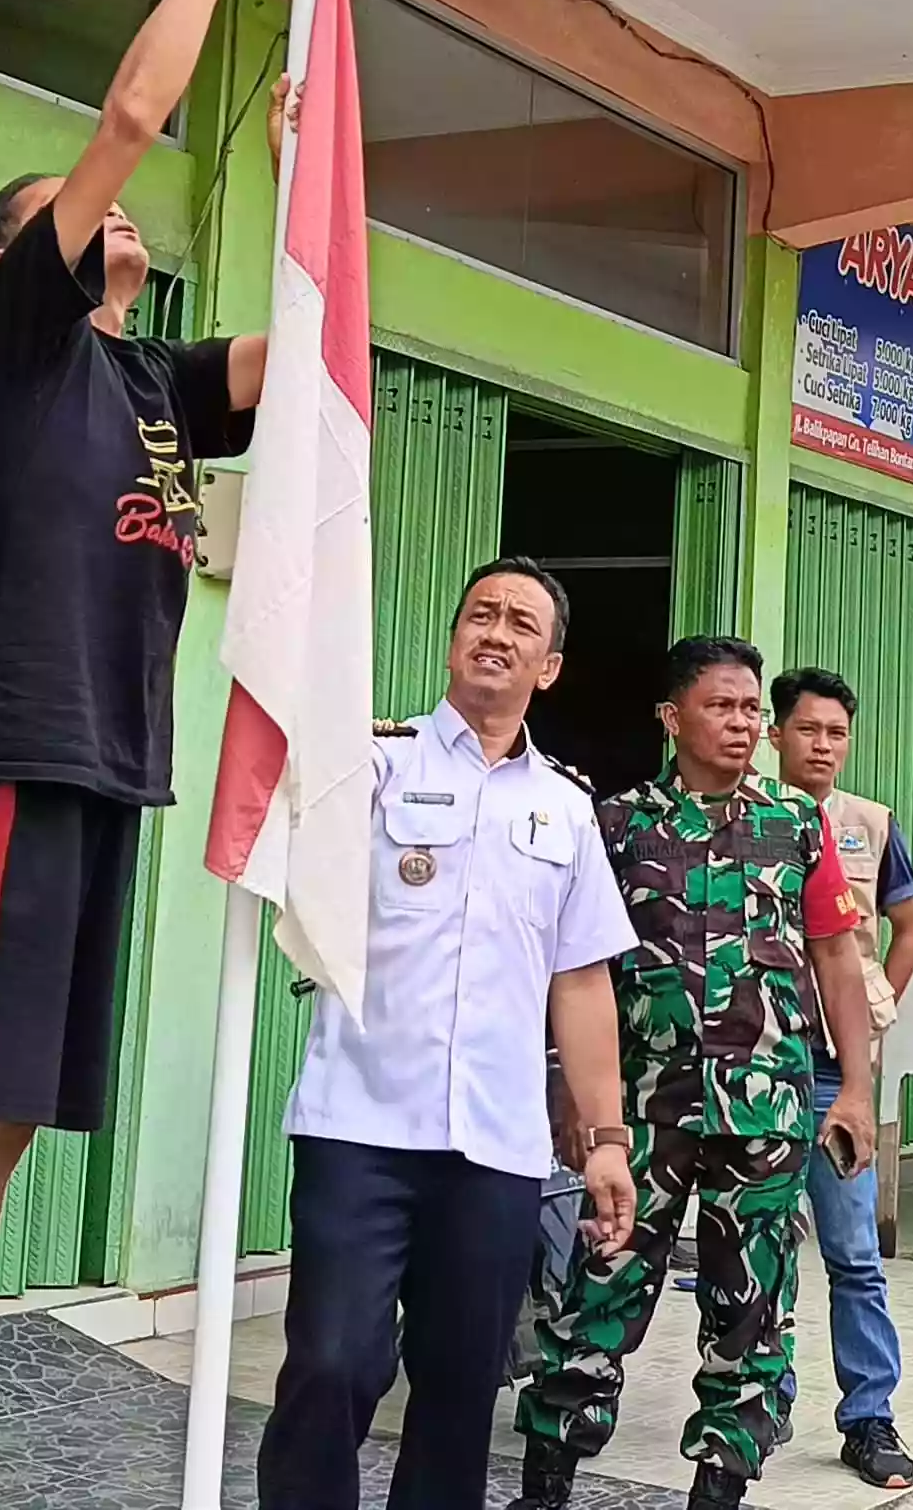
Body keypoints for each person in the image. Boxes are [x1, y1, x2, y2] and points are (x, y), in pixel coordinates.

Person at [0, 0, 311, 1510]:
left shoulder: (151, 383)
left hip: (115, 768)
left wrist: (303, 170)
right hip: (18, 750)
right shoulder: (26, 347)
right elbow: (126, 118)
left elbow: (313, 358)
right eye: (60, 222)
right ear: (19, 262)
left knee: (6, 1127)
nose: (111, 215)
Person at [262, 560, 644, 1510]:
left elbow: (583, 979)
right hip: (361, 1125)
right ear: (452, 639)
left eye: (522, 623)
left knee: (461, 1389)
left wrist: (605, 1140)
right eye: (482, 613)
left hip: (496, 1148)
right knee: (333, 1361)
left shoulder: (563, 807)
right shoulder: (375, 766)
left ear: (547, 666)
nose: (498, 632)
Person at [514, 638, 881, 1510]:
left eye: (752, 709)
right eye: (723, 706)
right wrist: (570, 1084)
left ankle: (720, 1489)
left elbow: (837, 959)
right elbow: (578, 969)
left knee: (751, 1311)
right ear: (672, 717)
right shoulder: (618, 824)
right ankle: (546, 1483)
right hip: (645, 1113)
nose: (744, 724)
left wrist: (858, 1089)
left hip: (764, 1113)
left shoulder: (796, 824)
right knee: (599, 1284)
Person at [767, 668, 913, 1492]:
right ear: (776, 735)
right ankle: (762, 1400)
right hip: (757, 1069)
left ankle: (869, 1417)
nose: (823, 745)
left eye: (836, 732)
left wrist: (874, 1011)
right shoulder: (747, 815)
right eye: (808, 730)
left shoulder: (870, 825)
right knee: (763, 1247)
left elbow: (908, 925)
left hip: (838, 1076)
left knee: (854, 1252)